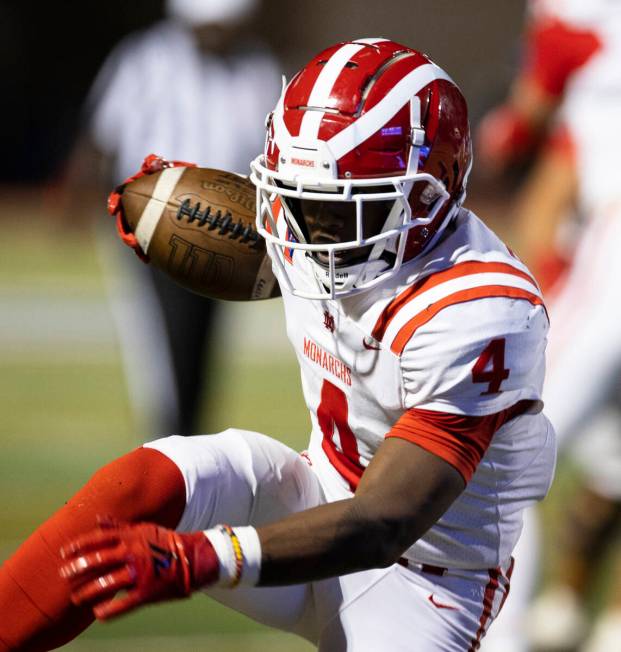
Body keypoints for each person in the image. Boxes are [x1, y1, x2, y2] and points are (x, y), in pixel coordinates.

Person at [0, 38, 556, 652]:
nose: (308, 235)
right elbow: (270, 251)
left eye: (334, 213)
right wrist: (167, 216)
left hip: (422, 585)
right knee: (149, 482)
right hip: (314, 491)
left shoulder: (482, 310)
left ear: (428, 194)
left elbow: (384, 522)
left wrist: (199, 557)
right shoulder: (337, 226)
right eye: (294, 201)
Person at [65, 0, 281, 437]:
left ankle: (189, 441)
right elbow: (102, 136)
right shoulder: (145, 59)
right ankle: (169, 443)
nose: (216, 35)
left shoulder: (258, 69)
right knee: (161, 351)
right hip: (151, 229)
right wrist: (76, 200)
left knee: (202, 347)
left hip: (231, 231)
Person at [476, 1, 621, 650]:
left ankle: (500, 639)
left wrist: (507, 128)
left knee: (503, 448)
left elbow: (521, 136)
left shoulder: (579, 35)